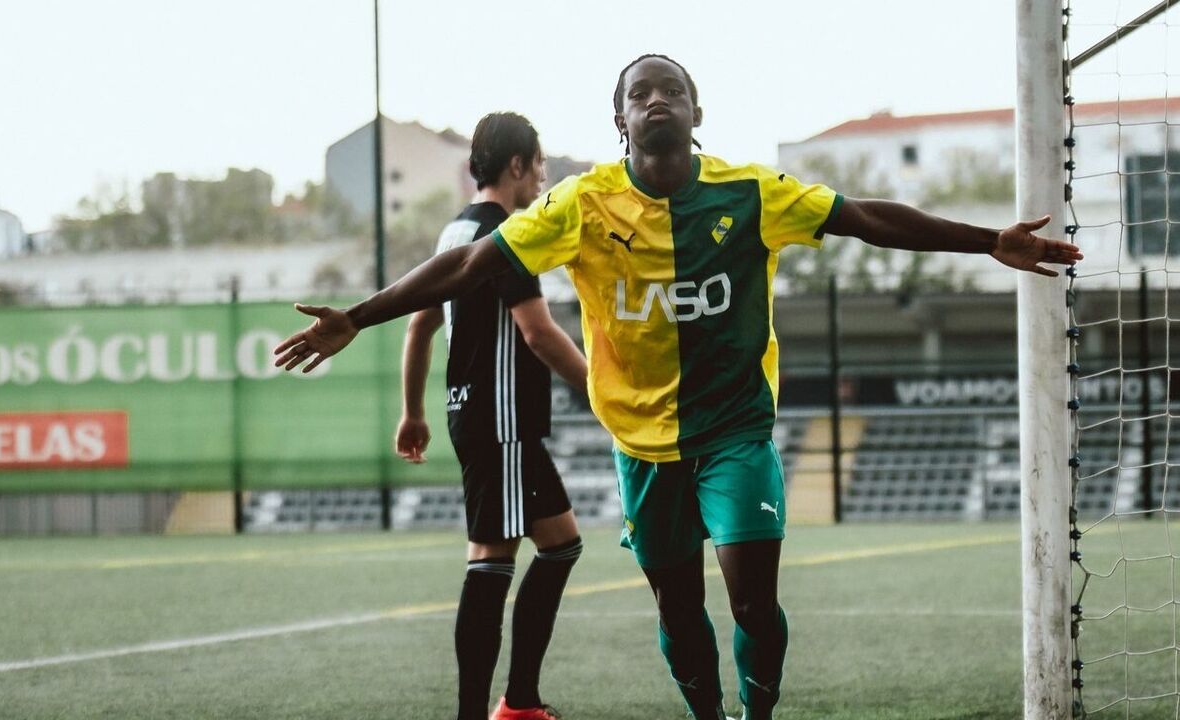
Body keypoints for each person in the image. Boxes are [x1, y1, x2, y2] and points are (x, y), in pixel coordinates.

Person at [275, 54, 1082, 720]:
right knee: (677, 609)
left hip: (735, 431)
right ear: (619, 120)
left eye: (672, 90)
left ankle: (758, 711)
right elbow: (467, 265)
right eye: (640, 93)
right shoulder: (580, 205)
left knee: (751, 599)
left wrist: (989, 241)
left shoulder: (752, 192)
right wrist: (359, 316)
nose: (656, 99)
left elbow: (866, 218)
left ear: (697, 113)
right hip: (642, 445)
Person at [394, 112, 588, 720]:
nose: (544, 176)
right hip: (501, 417)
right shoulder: (504, 235)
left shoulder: (453, 232)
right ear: (517, 165)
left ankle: (520, 700)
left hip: (484, 416)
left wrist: (413, 412)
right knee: (492, 555)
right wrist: (605, 392)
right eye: (540, 163)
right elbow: (538, 332)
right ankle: (479, 713)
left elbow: (419, 326)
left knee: (560, 544)